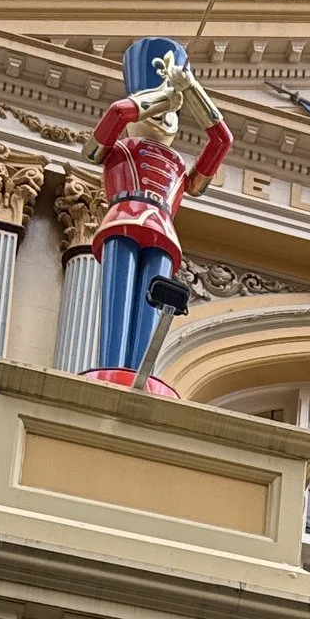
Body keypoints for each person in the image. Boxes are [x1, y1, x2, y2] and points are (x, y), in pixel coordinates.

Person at [87, 35, 231, 382]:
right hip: (123, 217)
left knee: (153, 302)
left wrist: (192, 90)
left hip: (163, 229)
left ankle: (137, 373)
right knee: (119, 296)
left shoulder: (180, 168)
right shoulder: (121, 149)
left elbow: (223, 141)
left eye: (171, 112)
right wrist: (162, 97)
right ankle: (112, 367)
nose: (166, 117)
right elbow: (115, 117)